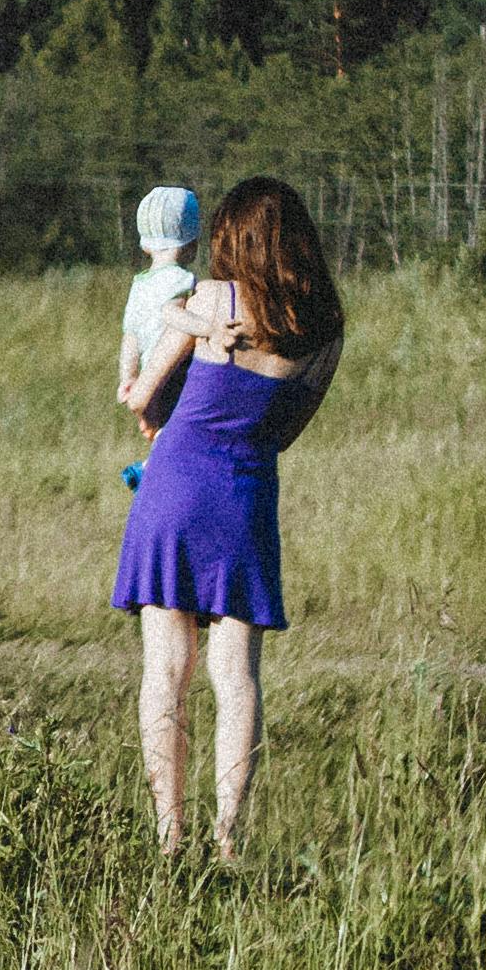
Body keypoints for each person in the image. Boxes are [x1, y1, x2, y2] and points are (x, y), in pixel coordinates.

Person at [109, 174, 344, 863]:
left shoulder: (212, 300)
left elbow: (144, 396)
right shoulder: (325, 332)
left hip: (175, 486)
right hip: (246, 495)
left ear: (233, 239)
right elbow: (286, 432)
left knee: (166, 670)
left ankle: (169, 836)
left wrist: (140, 389)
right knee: (237, 677)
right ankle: (228, 838)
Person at [114, 183, 201, 487]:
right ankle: (151, 472)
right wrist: (208, 327)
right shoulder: (182, 280)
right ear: (192, 245)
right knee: (178, 430)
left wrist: (128, 378)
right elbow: (176, 318)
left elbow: (131, 336)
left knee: (158, 426)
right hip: (175, 371)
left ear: (146, 245)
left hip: (146, 373)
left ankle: (151, 469)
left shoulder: (139, 285)